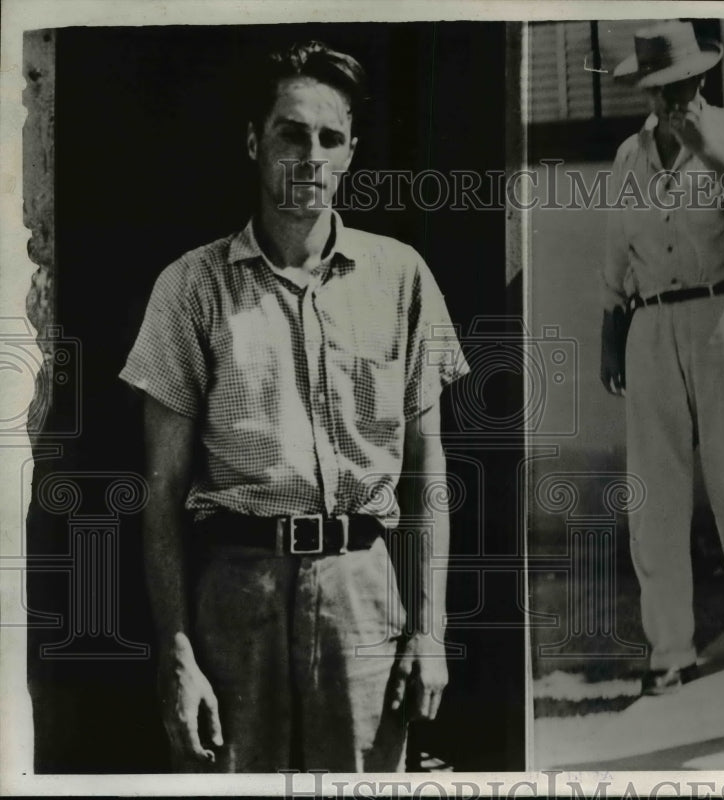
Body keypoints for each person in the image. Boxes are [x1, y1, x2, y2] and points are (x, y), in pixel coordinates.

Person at [120, 41, 469, 772]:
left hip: (362, 594)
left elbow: (426, 472)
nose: (310, 154)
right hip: (235, 595)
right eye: (290, 132)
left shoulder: (400, 278)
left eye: (330, 138)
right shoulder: (191, 288)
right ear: (254, 141)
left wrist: (429, 632)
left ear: (349, 155)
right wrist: (177, 652)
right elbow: (159, 496)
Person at [600, 21, 724, 696]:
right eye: (659, 88)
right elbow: (616, 258)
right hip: (651, 324)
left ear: (703, 78)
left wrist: (706, 152)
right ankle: (668, 648)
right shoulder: (628, 156)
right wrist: (609, 333)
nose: (673, 99)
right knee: (656, 490)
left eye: (683, 84)